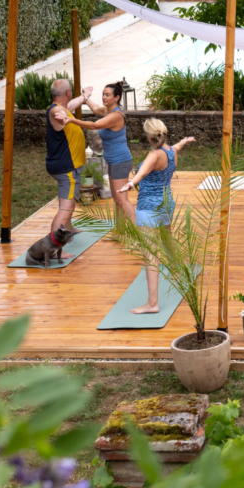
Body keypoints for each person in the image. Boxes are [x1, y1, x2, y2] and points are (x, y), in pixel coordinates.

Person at [119, 119, 196, 314]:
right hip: (166, 202)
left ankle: (152, 304)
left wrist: (130, 183)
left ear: (148, 136)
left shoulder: (153, 155)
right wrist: (183, 142)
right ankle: (179, 274)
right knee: (167, 242)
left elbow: (142, 172)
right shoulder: (171, 151)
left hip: (149, 208)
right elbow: (175, 148)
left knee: (151, 256)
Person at [65, 81, 136, 227]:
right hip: (112, 161)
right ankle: (121, 229)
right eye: (103, 94)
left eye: (108, 95)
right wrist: (86, 97)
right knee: (117, 198)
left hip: (120, 161)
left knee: (122, 199)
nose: (104, 97)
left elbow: (95, 125)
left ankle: (141, 234)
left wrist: (71, 120)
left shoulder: (116, 115)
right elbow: (96, 108)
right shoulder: (107, 111)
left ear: (116, 98)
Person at [46, 78, 89, 235]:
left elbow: (70, 106)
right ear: (68, 92)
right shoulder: (56, 111)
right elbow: (59, 113)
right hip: (66, 167)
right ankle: (54, 246)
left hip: (66, 165)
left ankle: (68, 227)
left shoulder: (61, 108)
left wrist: (85, 96)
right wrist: (63, 118)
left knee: (67, 200)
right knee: (67, 205)